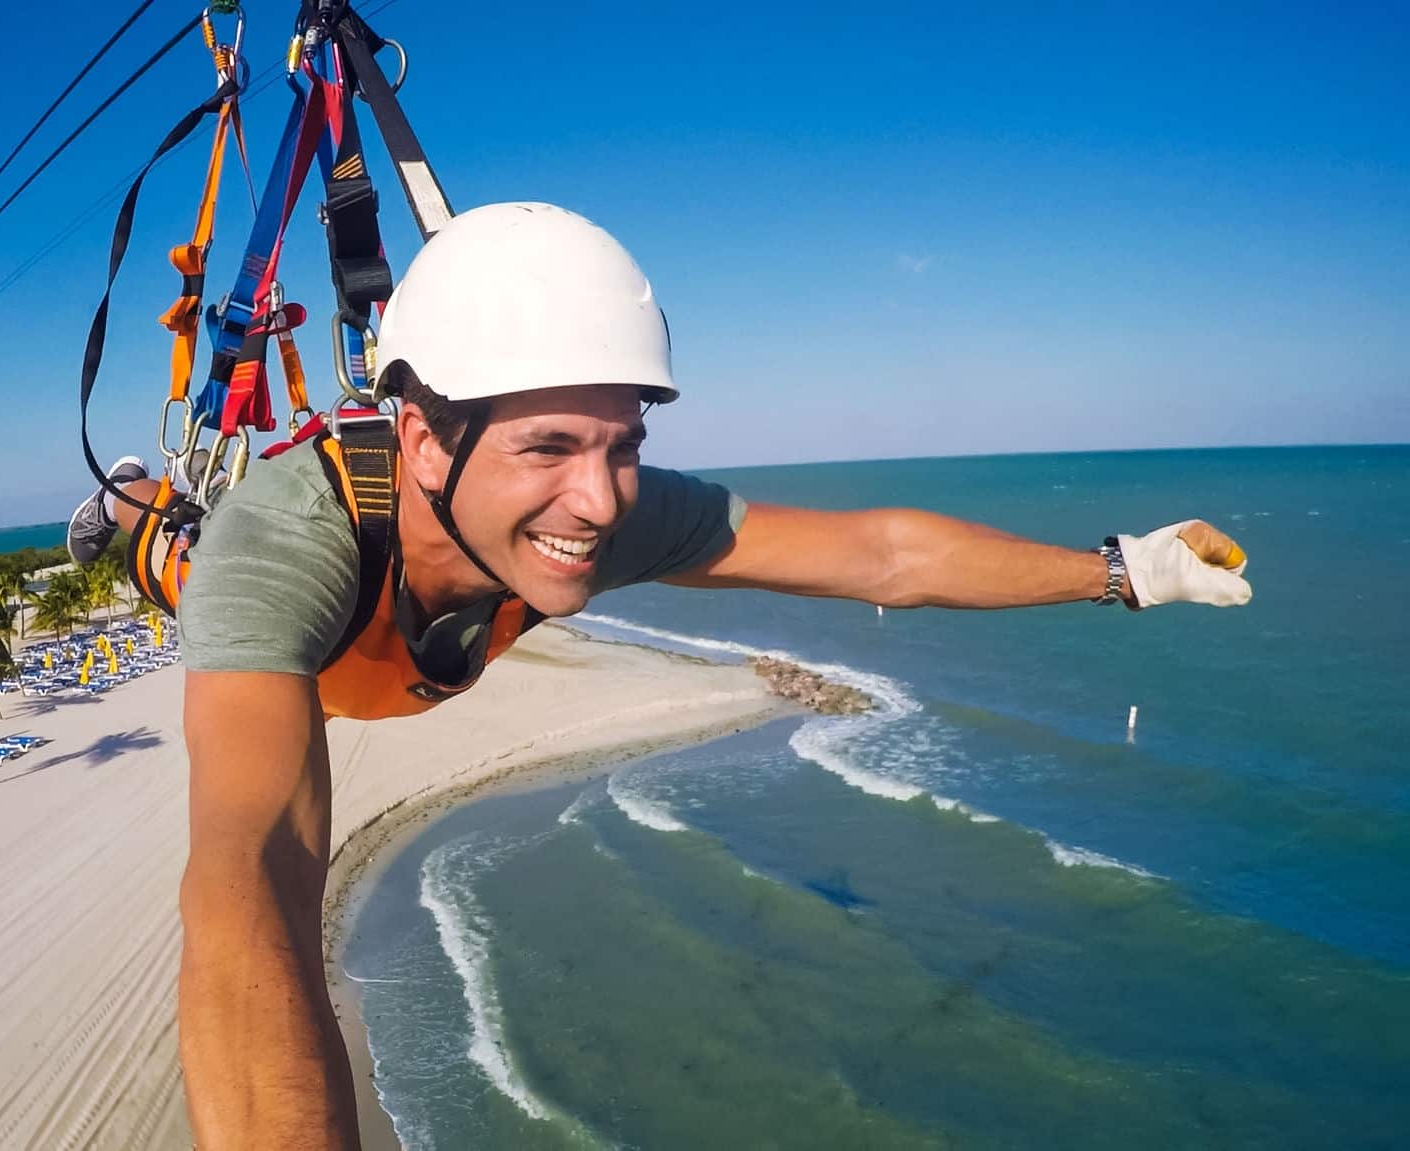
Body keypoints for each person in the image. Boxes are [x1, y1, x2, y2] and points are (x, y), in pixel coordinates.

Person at [64, 202, 1252, 1147]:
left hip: (407, 641)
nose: (597, 499)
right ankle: (125, 503)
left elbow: (876, 551)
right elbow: (252, 873)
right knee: (161, 541)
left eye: (622, 445)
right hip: (272, 597)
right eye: (547, 446)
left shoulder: (592, 518)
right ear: (423, 441)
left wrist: (1123, 570)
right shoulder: (282, 550)